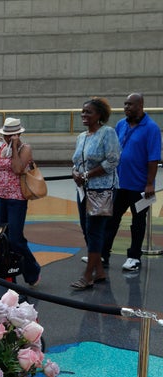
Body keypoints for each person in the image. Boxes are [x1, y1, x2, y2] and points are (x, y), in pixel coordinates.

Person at [100, 93, 161, 272]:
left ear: (140, 105)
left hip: (141, 187)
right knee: (111, 220)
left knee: (138, 222)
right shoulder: (121, 124)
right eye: (125, 104)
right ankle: (103, 254)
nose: (126, 107)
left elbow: (153, 159)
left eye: (130, 104)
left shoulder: (151, 128)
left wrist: (149, 184)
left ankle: (134, 257)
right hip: (119, 184)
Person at [0, 118, 42, 286]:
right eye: (6, 135)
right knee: (1, 238)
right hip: (1, 197)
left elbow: (17, 169)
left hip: (17, 199)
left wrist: (15, 148)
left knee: (16, 239)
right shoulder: (1, 148)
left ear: (19, 134)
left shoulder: (25, 149)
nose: (8, 138)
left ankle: (32, 270)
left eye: (12, 135)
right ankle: (8, 277)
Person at [71, 97, 120, 290]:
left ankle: (88, 276)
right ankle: (99, 271)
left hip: (102, 189)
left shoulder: (107, 133)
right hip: (83, 189)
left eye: (88, 112)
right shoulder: (82, 137)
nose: (84, 115)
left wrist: (86, 174)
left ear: (99, 115)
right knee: (86, 229)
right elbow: (76, 161)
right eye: (83, 111)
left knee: (95, 231)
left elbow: (113, 160)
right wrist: (75, 172)